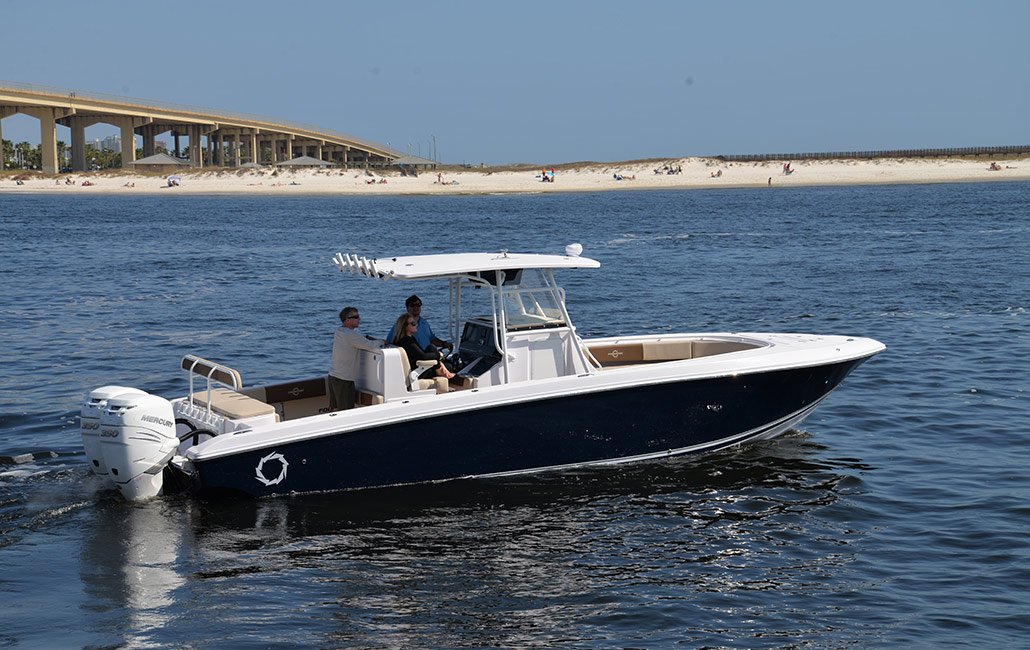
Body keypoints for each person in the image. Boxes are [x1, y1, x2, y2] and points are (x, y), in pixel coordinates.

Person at [328, 307, 384, 410]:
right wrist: (382, 342)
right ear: (348, 320)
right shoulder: (351, 334)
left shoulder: (339, 331)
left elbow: (356, 341)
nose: (359, 319)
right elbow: (370, 346)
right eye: (356, 317)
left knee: (335, 409)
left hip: (333, 377)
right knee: (345, 411)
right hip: (344, 380)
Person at [391, 313, 455, 379]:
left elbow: (420, 354)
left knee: (431, 347)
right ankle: (441, 373)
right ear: (405, 327)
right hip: (416, 373)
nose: (416, 325)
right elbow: (422, 356)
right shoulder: (407, 341)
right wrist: (438, 355)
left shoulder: (403, 340)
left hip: (416, 368)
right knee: (449, 366)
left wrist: (439, 361)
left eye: (416, 322)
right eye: (413, 323)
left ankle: (441, 371)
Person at [385, 294, 452, 353]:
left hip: (428, 357)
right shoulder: (400, 325)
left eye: (418, 305)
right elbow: (390, 343)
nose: (415, 307)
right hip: (416, 360)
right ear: (407, 308)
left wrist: (444, 344)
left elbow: (432, 339)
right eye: (412, 305)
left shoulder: (424, 323)